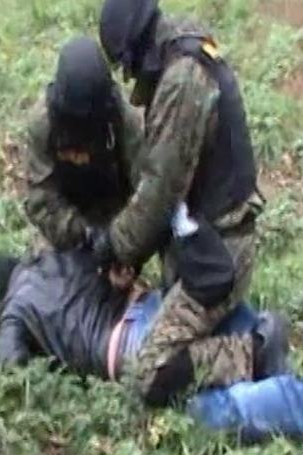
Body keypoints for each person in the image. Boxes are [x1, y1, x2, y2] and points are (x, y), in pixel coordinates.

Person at [0, 217, 303, 450]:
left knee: (209, 412)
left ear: (0, 292)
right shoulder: (56, 254)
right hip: (152, 305)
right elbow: (107, 246)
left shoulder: (15, 307)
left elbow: (8, 370)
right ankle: (255, 340)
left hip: (127, 346)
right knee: (196, 326)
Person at [93, 0, 266, 405]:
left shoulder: (182, 80)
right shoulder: (181, 48)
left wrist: (114, 245)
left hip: (218, 255)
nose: (129, 76)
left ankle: (255, 351)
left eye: (126, 65)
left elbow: (159, 192)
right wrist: (133, 256)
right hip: (206, 238)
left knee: (148, 374)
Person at [23, 36, 145, 252]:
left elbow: (144, 189)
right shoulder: (43, 124)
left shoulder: (126, 121)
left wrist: (120, 238)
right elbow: (41, 197)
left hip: (118, 216)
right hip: (64, 218)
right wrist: (83, 233)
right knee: (51, 267)